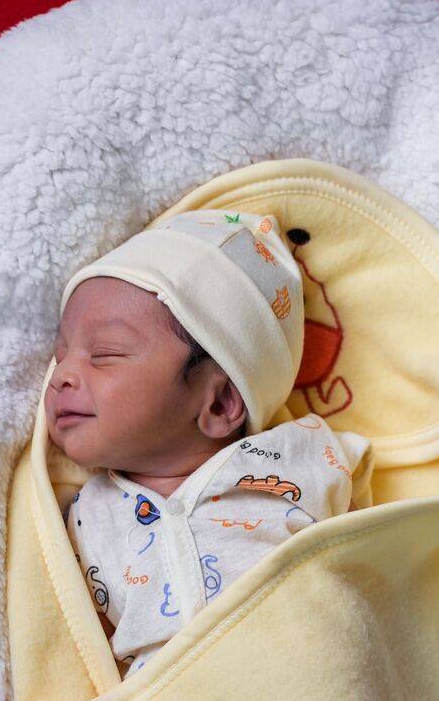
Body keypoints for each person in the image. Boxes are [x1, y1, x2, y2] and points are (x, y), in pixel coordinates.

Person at [45, 210, 374, 677]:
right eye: (60, 356)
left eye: (105, 354)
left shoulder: (301, 459)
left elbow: (373, 563)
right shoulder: (81, 516)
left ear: (218, 404)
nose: (61, 375)